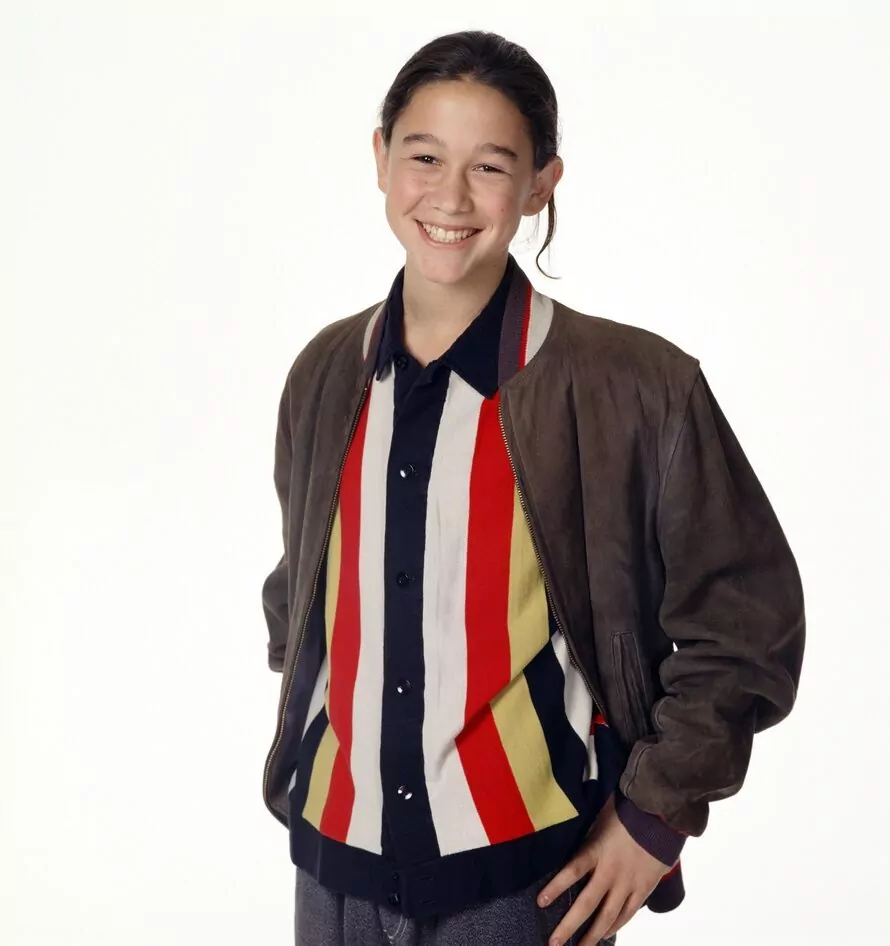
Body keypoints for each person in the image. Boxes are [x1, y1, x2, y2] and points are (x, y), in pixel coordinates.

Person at [260, 29, 805, 946]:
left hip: (523, 884)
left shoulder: (636, 385)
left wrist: (655, 817)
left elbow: (747, 627)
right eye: (424, 156)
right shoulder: (325, 371)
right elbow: (301, 594)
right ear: (381, 158)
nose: (450, 196)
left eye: (490, 166)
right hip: (332, 868)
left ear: (542, 182)